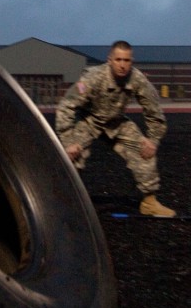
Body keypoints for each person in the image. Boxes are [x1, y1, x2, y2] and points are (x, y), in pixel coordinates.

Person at [55, 40, 175, 217]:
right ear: (109, 60)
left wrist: (153, 140)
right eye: (118, 60)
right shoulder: (92, 78)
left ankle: (149, 202)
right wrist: (68, 141)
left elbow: (154, 111)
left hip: (116, 122)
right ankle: (62, 203)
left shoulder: (138, 79)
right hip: (89, 120)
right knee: (71, 157)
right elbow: (66, 105)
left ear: (131, 61)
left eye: (126, 61)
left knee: (144, 150)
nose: (122, 65)